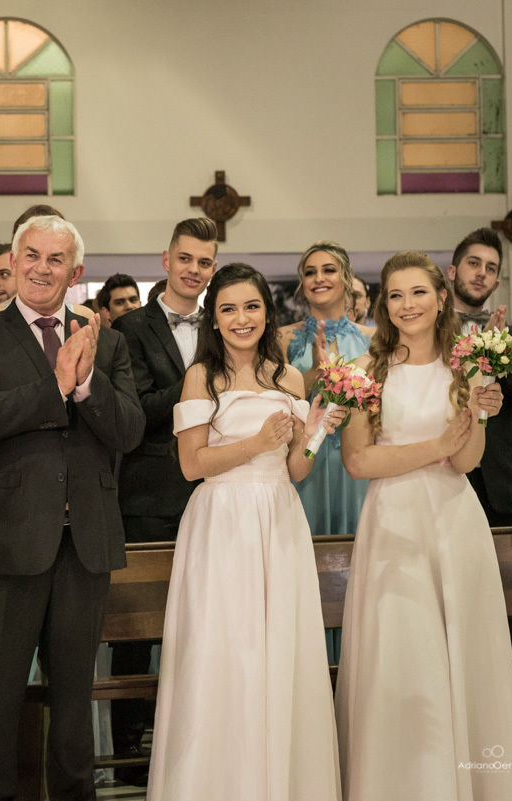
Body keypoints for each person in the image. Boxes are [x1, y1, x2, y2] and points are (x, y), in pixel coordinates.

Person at [0, 215, 145, 801]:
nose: (40, 267)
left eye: (55, 259)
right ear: (11, 262)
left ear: (75, 272)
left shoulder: (107, 343)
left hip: (83, 545)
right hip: (4, 544)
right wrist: (54, 388)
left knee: (73, 706)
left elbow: (130, 431)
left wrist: (87, 386)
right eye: (30, 255)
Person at [146, 263, 344, 801]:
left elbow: (297, 469)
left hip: (278, 517)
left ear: (266, 311)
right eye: (228, 308)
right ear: (214, 317)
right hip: (222, 522)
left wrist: (320, 427)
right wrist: (255, 444)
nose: (241, 318)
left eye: (251, 306)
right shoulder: (200, 378)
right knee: (226, 651)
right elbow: (192, 465)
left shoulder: (290, 378)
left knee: (279, 648)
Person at [337, 252, 512, 801]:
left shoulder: (464, 365)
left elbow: (466, 462)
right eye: (395, 295)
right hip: (392, 521)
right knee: (401, 653)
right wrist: (435, 447)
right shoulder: (365, 371)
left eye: (418, 292)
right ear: (383, 303)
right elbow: (358, 462)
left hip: (453, 520)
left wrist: (480, 402)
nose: (406, 305)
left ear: (442, 297)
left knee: (460, 651)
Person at [107, 217, 217, 778]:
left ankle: (201, 743)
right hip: (151, 494)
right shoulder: (129, 329)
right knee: (140, 627)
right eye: (186, 259)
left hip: (219, 492)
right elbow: (138, 412)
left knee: (209, 623)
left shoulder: (226, 320)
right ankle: (129, 752)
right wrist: (201, 379)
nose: (194, 270)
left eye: (204, 262)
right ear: (167, 260)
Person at [278, 241, 374, 662]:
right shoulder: (282, 338)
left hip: (358, 467)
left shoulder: (375, 339)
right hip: (307, 467)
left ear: (347, 279)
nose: (319, 278)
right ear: (302, 283)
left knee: (360, 572)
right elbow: (277, 397)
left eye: (329, 270)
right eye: (311, 271)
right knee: (306, 575)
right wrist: (317, 371)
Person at [447, 228, 512, 527]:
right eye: (474, 264)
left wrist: (498, 346)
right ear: (453, 271)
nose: (481, 273)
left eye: (490, 269)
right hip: (444, 475)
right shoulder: (429, 332)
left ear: (496, 283)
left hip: (500, 482)